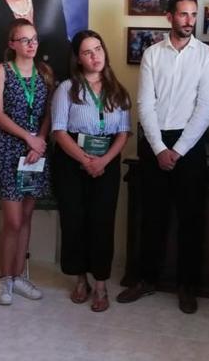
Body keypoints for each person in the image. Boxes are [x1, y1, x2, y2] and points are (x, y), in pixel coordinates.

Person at [116, 0, 209, 314]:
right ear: (169, 17)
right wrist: (160, 148)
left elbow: (205, 107)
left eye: (193, 15)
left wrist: (179, 150)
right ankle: (146, 279)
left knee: (191, 220)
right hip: (155, 141)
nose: (189, 21)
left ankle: (187, 286)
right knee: (152, 217)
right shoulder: (152, 54)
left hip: (190, 143)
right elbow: (145, 103)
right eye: (183, 14)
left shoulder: (206, 55)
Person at [52, 30, 131, 313]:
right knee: (74, 222)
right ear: (78, 58)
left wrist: (103, 161)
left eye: (98, 49)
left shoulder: (118, 90)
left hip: (106, 164)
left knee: (101, 223)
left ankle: (100, 284)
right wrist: (86, 161)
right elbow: (59, 131)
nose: (95, 56)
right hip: (72, 162)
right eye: (87, 52)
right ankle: (80, 279)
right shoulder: (67, 88)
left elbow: (123, 133)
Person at [0, 18, 53, 305]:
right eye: (24, 39)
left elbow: (49, 113)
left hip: (35, 154)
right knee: (11, 220)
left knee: (25, 218)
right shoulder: (1, 71)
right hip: (8, 150)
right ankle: (4, 279)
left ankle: (20, 276)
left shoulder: (45, 73)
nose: (31, 44)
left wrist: (41, 141)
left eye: (34, 38)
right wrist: (29, 138)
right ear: (12, 44)